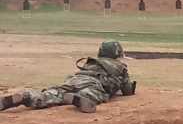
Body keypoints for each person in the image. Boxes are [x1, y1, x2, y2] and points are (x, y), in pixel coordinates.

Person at [0, 41, 137, 114]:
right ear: (117, 53)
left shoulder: (92, 62)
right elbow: (127, 91)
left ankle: (27, 96)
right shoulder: (120, 66)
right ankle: (79, 98)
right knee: (91, 95)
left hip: (75, 79)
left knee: (53, 94)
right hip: (93, 84)